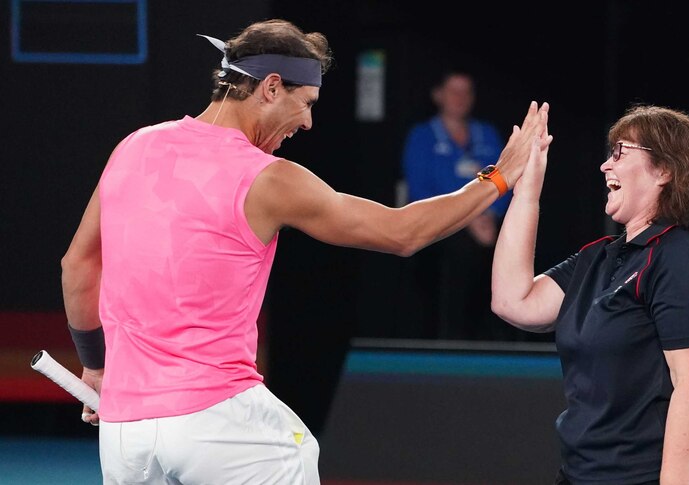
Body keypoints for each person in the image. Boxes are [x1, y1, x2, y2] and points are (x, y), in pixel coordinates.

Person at [59, 19, 550, 484]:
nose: (309, 123)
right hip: (216, 419)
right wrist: (500, 176)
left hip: (126, 431)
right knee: (295, 448)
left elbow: (78, 265)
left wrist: (98, 368)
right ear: (271, 87)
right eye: (307, 101)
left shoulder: (133, 148)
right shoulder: (268, 177)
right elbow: (403, 232)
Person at [491, 105, 689, 484]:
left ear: (664, 170)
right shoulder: (599, 257)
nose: (604, 166)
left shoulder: (681, 257)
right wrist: (527, 190)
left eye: (620, 152)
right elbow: (513, 301)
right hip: (583, 473)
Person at [401, 70, 514, 340]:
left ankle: (500, 342)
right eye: (454, 91)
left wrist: (489, 215)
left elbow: (507, 180)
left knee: (509, 241)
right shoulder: (422, 136)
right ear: (438, 95)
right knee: (461, 251)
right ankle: (452, 340)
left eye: (467, 92)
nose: (460, 98)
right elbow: (419, 190)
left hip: (486, 222)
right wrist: (468, 219)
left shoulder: (486, 133)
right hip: (440, 227)